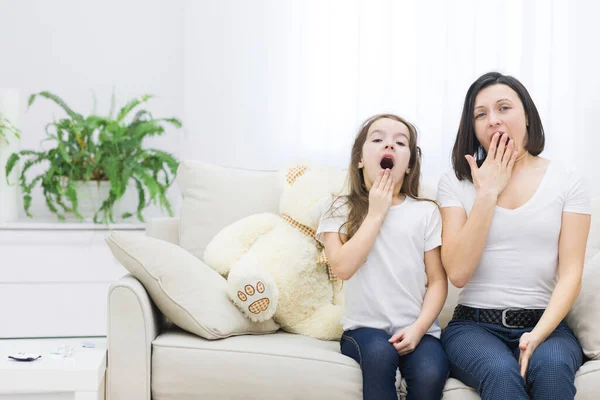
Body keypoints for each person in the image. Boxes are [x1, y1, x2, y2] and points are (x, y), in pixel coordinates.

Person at [438, 72, 592, 400]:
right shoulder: (455, 182)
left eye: (503, 108)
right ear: (472, 125)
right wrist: (487, 193)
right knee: (501, 373)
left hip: (546, 324)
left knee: (551, 371)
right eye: (481, 114)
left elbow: (571, 275)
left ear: (526, 114)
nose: (493, 120)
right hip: (473, 326)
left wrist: (537, 335)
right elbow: (458, 273)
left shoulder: (568, 180)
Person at [316, 113, 449, 400]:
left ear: (410, 164)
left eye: (400, 143)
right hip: (364, 330)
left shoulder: (426, 212)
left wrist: (418, 329)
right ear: (360, 159)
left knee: (431, 373)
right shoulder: (338, 208)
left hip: (419, 330)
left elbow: (438, 282)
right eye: (377, 139)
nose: (389, 145)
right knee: (378, 355)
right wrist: (376, 213)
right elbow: (342, 267)